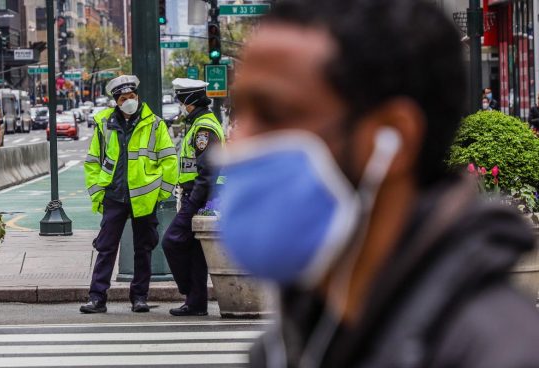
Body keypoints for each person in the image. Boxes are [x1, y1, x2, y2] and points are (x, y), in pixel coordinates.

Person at [217, 0, 539, 367]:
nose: (239, 145)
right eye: (242, 114)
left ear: (393, 137)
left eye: (273, 114)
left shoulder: (502, 354)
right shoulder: (288, 347)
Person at [81, 75, 178, 314]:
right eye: (124, 98)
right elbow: (93, 161)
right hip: (114, 196)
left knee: (143, 248)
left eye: (132, 97)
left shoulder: (154, 123)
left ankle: (139, 297)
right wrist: (98, 194)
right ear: (116, 101)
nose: (129, 101)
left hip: (144, 198)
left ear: (138, 96)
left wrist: (162, 194)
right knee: (106, 247)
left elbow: (169, 159)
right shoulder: (104, 124)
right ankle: (97, 297)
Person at [162, 78, 225, 316]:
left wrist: (191, 205)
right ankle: (196, 302)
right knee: (195, 252)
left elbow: (207, 171)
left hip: (201, 198)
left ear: (189, 100)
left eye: (180, 99)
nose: (179, 104)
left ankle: (189, 291)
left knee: (172, 241)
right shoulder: (198, 123)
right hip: (199, 196)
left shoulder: (203, 128)